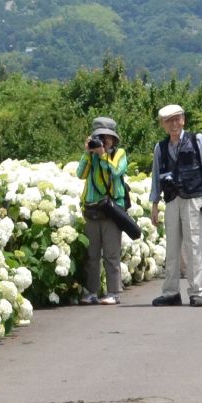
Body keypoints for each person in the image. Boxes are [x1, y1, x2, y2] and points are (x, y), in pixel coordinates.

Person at [147, 103, 202, 306]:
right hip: (172, 199)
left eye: (177, 119)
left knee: (194, 245)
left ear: (183, 120)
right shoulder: (160, 147)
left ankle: (196, 292)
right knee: (171, 248)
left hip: (194, 198)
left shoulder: (197, 140)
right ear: (163, 124)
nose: (174, 124)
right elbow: (156, 176)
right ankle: (171, 292)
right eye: (169, 121)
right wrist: (154, 203)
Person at [76, 116, 131, 304]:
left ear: (113, 139)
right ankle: (91, 292)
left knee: (111, 254)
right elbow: (80, 174)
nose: (103, 141)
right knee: (92, 255)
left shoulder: (119, 154)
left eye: (106, 137)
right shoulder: (91, 155)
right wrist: (88, 153)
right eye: (99, 137)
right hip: (92, 209)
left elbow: (116, 172)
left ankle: (113, 292)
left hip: (112, 211)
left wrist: (103, 155)